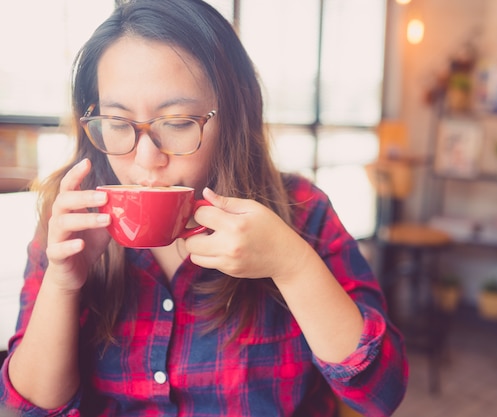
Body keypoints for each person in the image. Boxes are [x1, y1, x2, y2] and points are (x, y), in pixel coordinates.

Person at [0, 0, 408, 415]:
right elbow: (29, 408)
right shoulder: (72, 218)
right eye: (118, 123)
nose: (145, 160)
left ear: (232, 115)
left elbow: (382, 393)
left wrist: (293, 266)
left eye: (177, 122)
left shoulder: (302, 211)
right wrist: (63, 284)